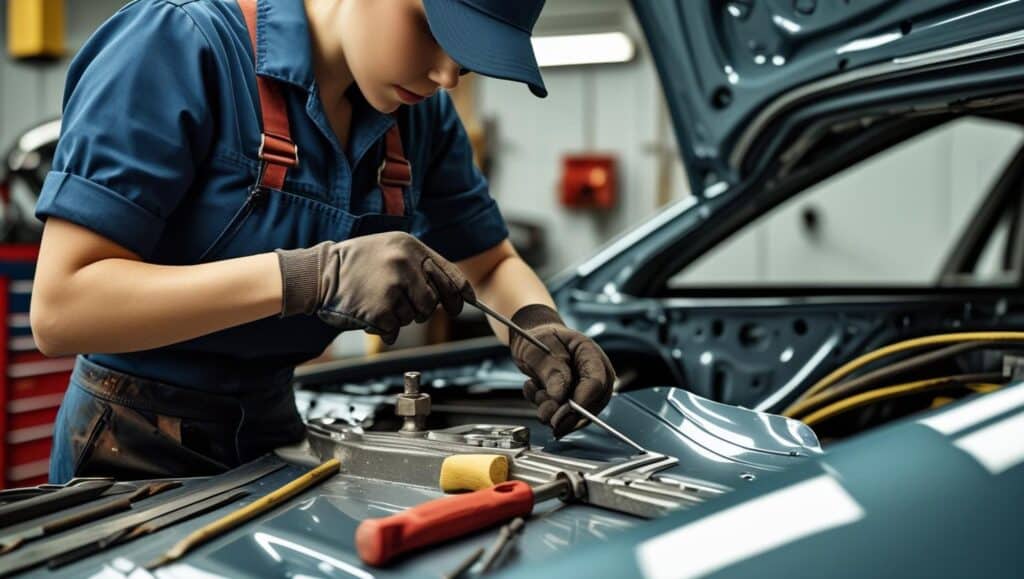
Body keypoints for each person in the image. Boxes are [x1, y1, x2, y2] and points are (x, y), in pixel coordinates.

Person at [31, 0, 615, 484]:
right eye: (434, 30)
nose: (444, 75)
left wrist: (537, 326)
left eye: (466, 56)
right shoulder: (178, 46)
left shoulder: (420, 118)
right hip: (129, 446)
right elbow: (63, 309)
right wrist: (314, 277)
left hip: (272, 431)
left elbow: (488, 263)